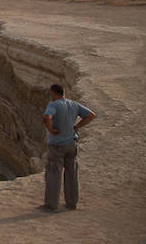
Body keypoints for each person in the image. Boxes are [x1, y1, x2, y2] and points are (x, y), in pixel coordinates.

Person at [39, 83, 96, 212]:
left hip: (57, 145)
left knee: (54, 174)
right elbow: (91, 115)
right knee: (71, 173)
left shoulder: (54, 105)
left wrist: (51, 130)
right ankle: (71, 203)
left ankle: (51, 205)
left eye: (51, 94)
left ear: (53, 93)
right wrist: (77, 126)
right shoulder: (74, 104)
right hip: (71, 143)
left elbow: (47, 117)